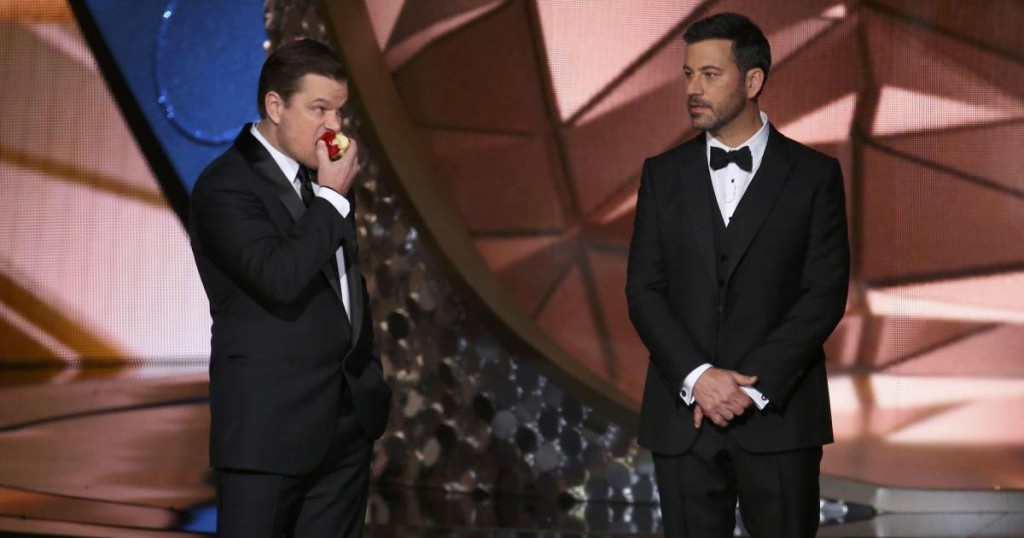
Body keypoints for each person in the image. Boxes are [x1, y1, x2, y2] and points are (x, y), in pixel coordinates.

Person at [626, 12, 850, 538]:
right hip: (683, 420)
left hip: (779, 417)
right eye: (687, 75)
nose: (693, 89)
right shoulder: (662, 175)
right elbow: (644, 290)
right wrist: (699, 378)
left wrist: (750, 389)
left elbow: (824, 293)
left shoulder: (815, 177)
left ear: (753, 81)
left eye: (709, 74)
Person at [189, 38, 391, 537]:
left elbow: (345, 287)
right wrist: (329, 199)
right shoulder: (226, 187)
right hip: (268, 431)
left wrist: (368, 377)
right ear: (275, 106)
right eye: (318, 108)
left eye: (339, 111)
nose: (334, 126)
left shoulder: (320, 185)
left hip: (345, 425)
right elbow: (279, 276)